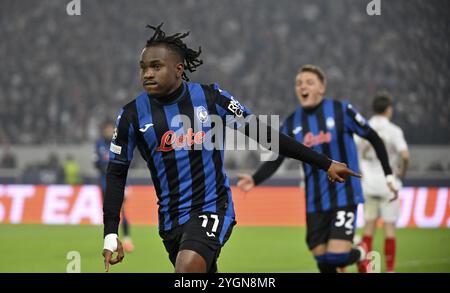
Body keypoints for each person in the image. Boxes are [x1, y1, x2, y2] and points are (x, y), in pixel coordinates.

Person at [102, 24, 360, 273]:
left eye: (156, 66)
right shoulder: (132, 115)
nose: (147, 73)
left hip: (212, 206)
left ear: (178, 69)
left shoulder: (211, 98)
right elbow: (116, 173)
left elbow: (266, 135)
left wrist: (324, 162)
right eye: (143, 67)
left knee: (188, 266)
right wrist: (111, 231)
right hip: (170, 220)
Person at [237, 65, 398, 273]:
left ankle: (362, 252)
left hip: (344, 195)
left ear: (322, 88)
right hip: (315, 200)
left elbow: (373, 137)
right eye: (299, 83)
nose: (303, 86)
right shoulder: (293, 122)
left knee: (336, 256)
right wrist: (255, 179)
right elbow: (277, 156)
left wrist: (389, 174)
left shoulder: (342, 111)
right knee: (322, 260)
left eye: (309, 82)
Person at [356, 93, 409, 273]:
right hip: (389, 185)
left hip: (368, 184)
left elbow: (353, 153)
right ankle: (390, 270)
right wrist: (402, 172)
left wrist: (360, 170)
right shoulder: (394, 130)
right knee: (389, 230)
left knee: (368, 229)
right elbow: (405, 155)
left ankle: (367, 268)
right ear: (388, 109)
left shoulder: (363, 127)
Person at [95, 122, 134, 252]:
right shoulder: (99, 144)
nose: (109, 131)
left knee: (121, 210)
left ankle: (127, 239)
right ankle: (111, 240)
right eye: (107, 129)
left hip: (117, 184)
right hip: (104, 184)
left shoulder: (118, 143)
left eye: (111, 129)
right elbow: (96, 163)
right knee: (109, 212)